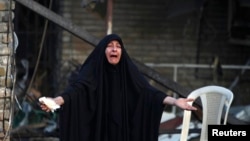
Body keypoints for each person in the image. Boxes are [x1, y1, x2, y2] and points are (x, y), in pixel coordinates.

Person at [40, 34, 197, 141]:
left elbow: (149, 93)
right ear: (103, 51)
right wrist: (56, 101)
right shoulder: (92, 72)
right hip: (97, 133)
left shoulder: (129, 72)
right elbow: (76, 91)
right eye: (109, 46)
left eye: (118, 46)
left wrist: (175, 102)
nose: (114, 49)